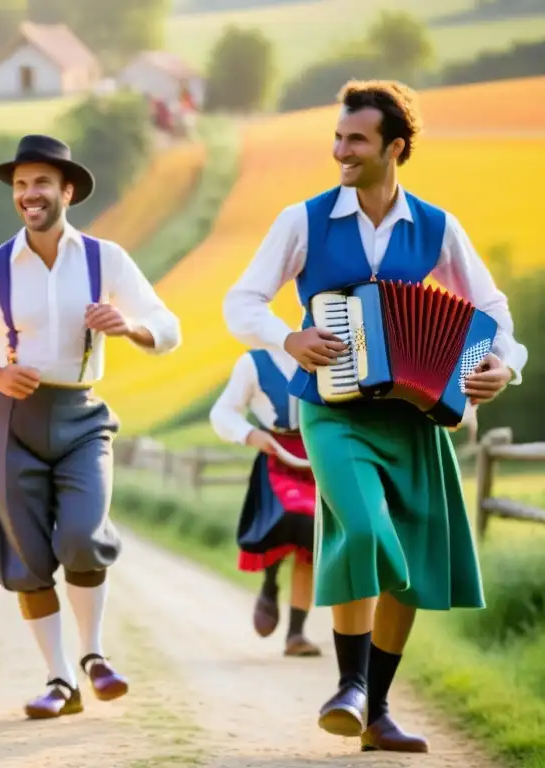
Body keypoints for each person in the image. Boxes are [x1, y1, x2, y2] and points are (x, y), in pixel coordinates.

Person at [222, 80, 527, 753]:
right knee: (362, 527)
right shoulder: (302, 221)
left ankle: (377, 711)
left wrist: (504, 363)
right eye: (337, 138)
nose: (340, 151)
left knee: (412, 561)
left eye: (355, 139)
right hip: (332, 411)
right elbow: (241, 302)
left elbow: (493, 311)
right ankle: (349, 686)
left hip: (415, 415)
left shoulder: (437, 227)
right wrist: (286, 338)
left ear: (396, 147)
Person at [0, 134, 181, 720]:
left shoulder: (107, 260)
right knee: (28, 557)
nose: (29, 194)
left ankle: (94, 656)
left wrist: (127, 326)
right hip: (14, 419)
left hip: (82, 417)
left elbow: (166, 325)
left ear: (68, 191)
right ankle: (59, 679)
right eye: (20, 185)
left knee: (83, 532)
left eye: (40, 184)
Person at [208, 347, 320, 657]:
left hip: (321, 453)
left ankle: (296, 634)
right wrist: (248, 434)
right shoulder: (253, 362)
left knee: (312, 540)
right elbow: (223, 412)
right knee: (289, 515)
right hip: (276, 453)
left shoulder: (339, 346)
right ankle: (270, 583)